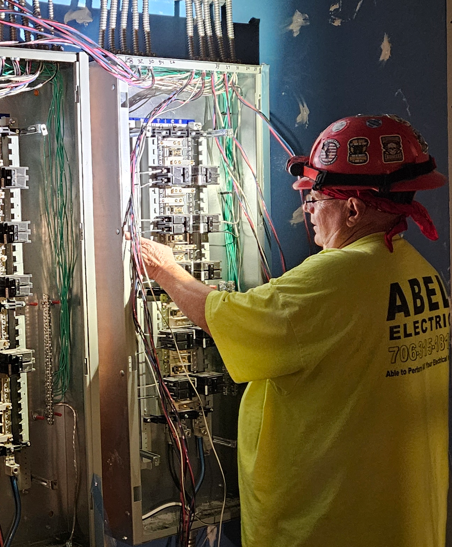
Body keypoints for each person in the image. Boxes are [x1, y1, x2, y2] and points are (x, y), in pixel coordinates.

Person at [138, 115, 449, 547]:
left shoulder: (336, 276)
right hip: (402, 516)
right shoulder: (418, 270)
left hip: (330, 520)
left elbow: (222, 315)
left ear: (353, 208)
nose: (308, 210)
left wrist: (165, 269)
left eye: (316, 199)